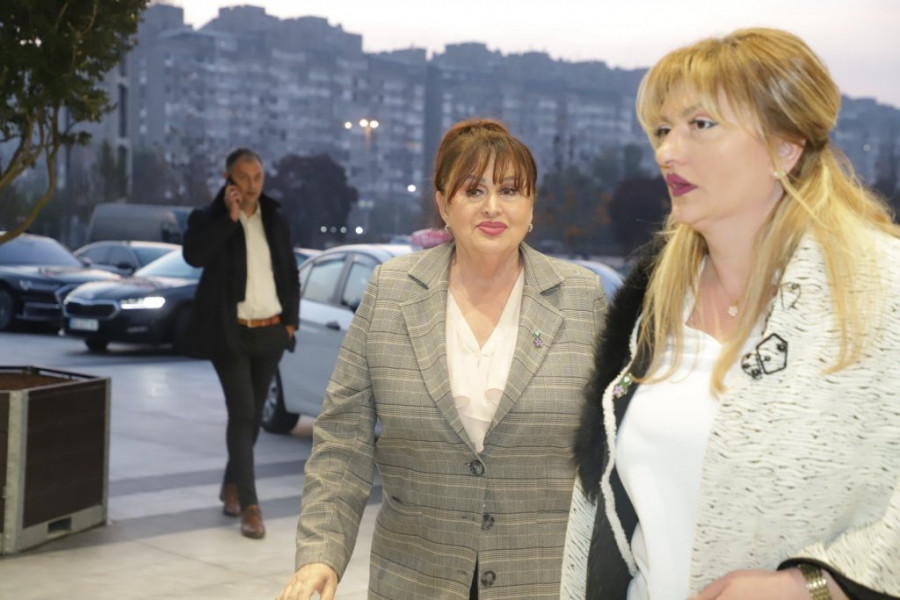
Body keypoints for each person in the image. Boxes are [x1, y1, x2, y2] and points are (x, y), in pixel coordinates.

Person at [561, 28, 900, 600]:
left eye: (701, 124)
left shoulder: (880, 292)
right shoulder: (652, 301)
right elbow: (607, 513)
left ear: (785, 147)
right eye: (662, 130)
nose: (668, 152)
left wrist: (816, 585)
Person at [276, 118, 607, 599]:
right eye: (473, 190)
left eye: (510, 190)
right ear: (444, 204)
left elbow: (613, 449)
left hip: (543, 581)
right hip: (415, 579)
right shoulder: (392, 291)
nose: (492, 206)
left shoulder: (580, 298)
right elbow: (343, 440)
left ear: (531, 205)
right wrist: (320, 554)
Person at [182, 147, 299, 539]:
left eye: (258, 176)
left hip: (271, 332)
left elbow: (290, 273)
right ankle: (250, 505)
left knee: (250, 420)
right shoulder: (208, 218)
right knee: (244, 414)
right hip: (230, 334)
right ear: (228, 180)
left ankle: (231, 485)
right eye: (244, 177)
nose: (252, 185)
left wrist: (289, 324)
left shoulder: (275, 219)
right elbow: (195, 256)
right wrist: (229, 219)